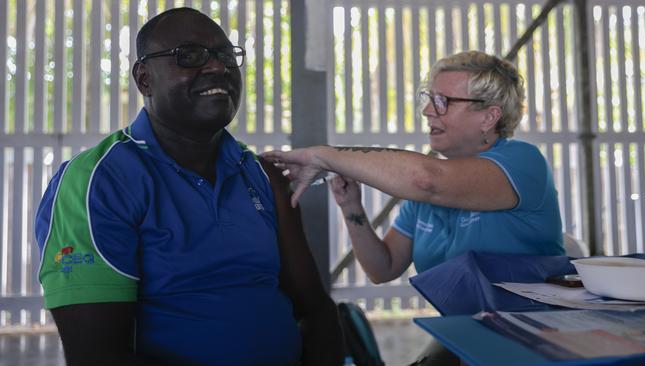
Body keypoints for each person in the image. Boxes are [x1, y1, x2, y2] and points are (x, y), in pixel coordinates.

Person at [34, 7, 343, 366]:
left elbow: (316, 311)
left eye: (226, 55)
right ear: (144, 79)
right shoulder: (97, 181)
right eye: (190, 55)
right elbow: (97, 357)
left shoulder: (261, 175)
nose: (218, 67)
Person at [263, 51, 566, 364]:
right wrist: (351, 208)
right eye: (429, 98)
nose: (427, 111)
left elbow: (426, 179)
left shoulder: (521, 162)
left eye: (443, 101)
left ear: (489, 117)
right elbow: (383, 267)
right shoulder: (430, 194)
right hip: (474, 337)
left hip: (539, 341)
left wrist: (323, 155)